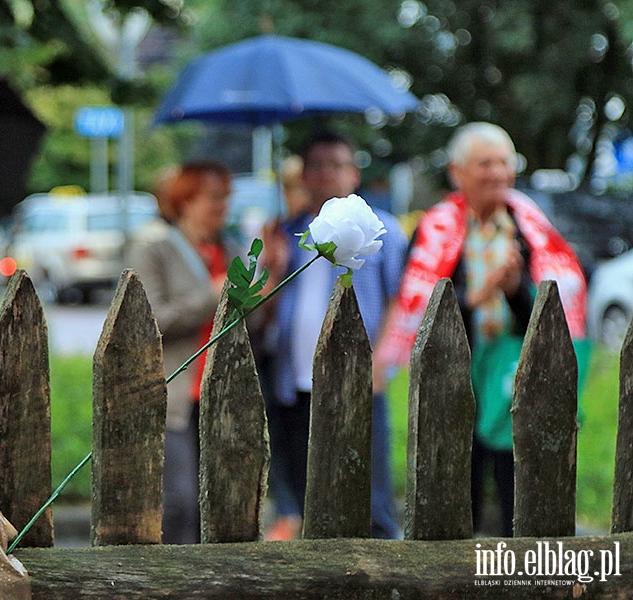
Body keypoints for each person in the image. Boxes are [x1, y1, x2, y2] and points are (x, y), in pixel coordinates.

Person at [378, 122, 588, 536]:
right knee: (457, 485)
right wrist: (481, 293)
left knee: (520, 485)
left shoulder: (530, 226)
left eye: (504, 163)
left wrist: (513, 290)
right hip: (457, 379)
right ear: (457, 173)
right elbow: (421, 310)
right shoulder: (434, 229)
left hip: (515, 378)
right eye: (484, 163)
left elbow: (549, 318)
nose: (497, 173)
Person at [262, 130, 407, 541]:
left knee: (368, 486)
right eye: (317, 165)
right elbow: (265, 309)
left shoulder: (383, 231)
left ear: (354, 175)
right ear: (303, 175)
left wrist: (382, 361)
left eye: (336, 164)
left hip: (357, 378)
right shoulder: (287, 231)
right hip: (293, 380)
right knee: (306, 485)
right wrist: (271, 267)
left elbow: (402, 300)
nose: (326, 174)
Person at [129, 160, 236, 544]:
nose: (224, 206)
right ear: (187, 200)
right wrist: (211, 293)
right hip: (174, 395)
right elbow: (148, 319)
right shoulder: (153, 246)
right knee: (179, 502)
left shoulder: (227, 248)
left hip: (218, 394)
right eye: (214, 197)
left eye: (227, 197)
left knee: (219, 504)